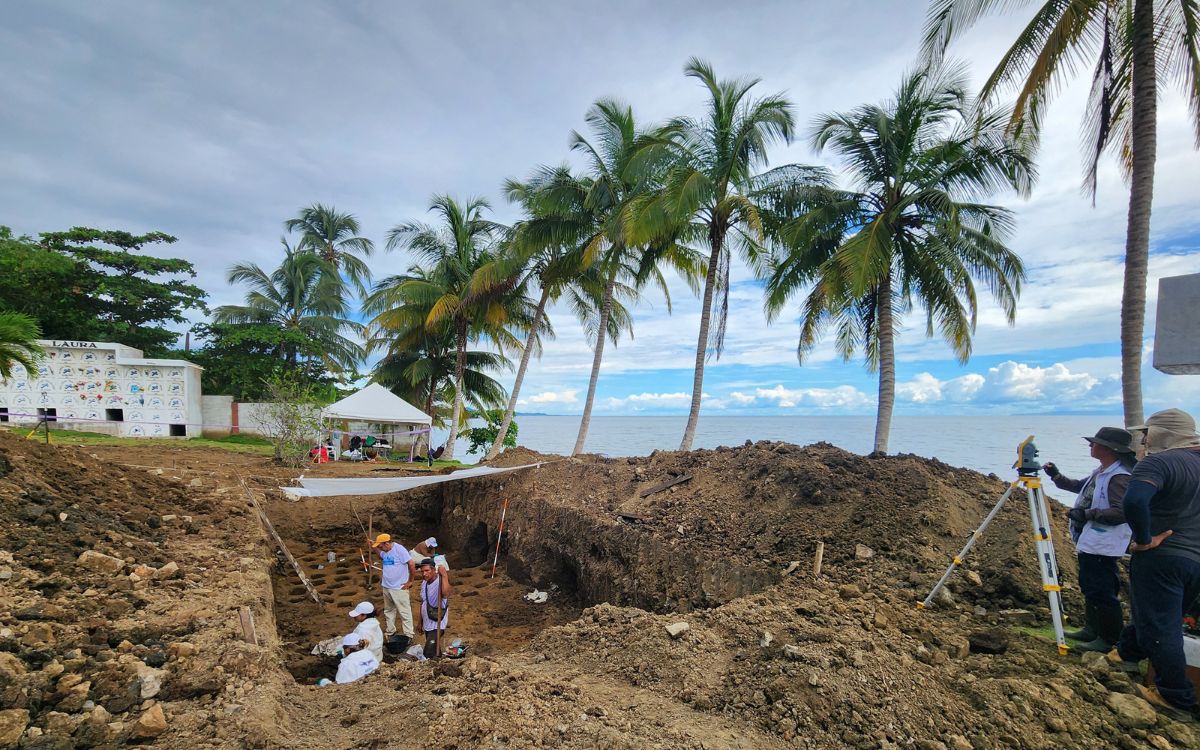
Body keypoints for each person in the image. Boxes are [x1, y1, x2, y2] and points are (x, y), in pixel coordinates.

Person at [1109, 408, 1200, 718]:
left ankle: (1176, 697)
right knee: (1161, 617)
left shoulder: (1159, 462)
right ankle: (1125, 654)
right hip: (1195, 561)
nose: (1143, 439)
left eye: (1147, 433)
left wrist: (1146, 539)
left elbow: (1134, 501)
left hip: (1162, 556)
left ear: (1163, 434)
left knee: (1163, 627)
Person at [1043, 427, 1135, 652]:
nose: (1090, 446)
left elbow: (1121, 512)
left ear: (1109, 449)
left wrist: (1087, 514)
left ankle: (1107, 639)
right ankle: (1091, 629)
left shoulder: (1119, 476)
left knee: (1102, 591)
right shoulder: (1103, 470)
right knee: (1091, 586)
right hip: (1093, 541)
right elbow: (1079, 488)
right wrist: (1056, 476)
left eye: (1095, 443)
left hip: (1104, 544)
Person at [371, 533, 417, 641]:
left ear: (386, 543)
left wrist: (410, 581)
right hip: (386, 586)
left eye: (380, 546)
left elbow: (411, 564)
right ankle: (391, 630)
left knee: (404, 611)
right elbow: (381, 556)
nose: (380, 548)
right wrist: (373, 548)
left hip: (398, 587)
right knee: (389, 610)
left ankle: (409, 634)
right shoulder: (386, 551)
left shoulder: (399, 550)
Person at [418, 557, 451, 658]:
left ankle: (432, 666)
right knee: (434, 647)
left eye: (427, 570)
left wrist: (444, 575)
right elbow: (423, 602)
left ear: (433, 570)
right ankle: (439, 661)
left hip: (437, 622)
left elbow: (445, 593)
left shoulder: (440, 581)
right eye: (422, 571)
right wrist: (420, 622)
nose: (424, 574)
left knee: (429, 650)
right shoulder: (424, 583)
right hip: (428, 620)